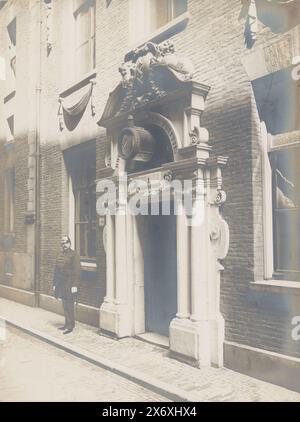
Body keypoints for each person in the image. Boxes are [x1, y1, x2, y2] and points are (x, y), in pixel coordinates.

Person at [53, 235, 81, 334]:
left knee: (69, 304)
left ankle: (71, 325)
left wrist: (75, 285)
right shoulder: (60, 255)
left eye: (65, 242)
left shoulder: (74, 255)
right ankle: (66, 323)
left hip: (70, 283)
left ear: (69, 243)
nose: (63, 245)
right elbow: (56, 270)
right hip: (61, 283)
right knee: (64, 304)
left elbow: (77, 272)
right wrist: (55, 284)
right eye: (62, 243)